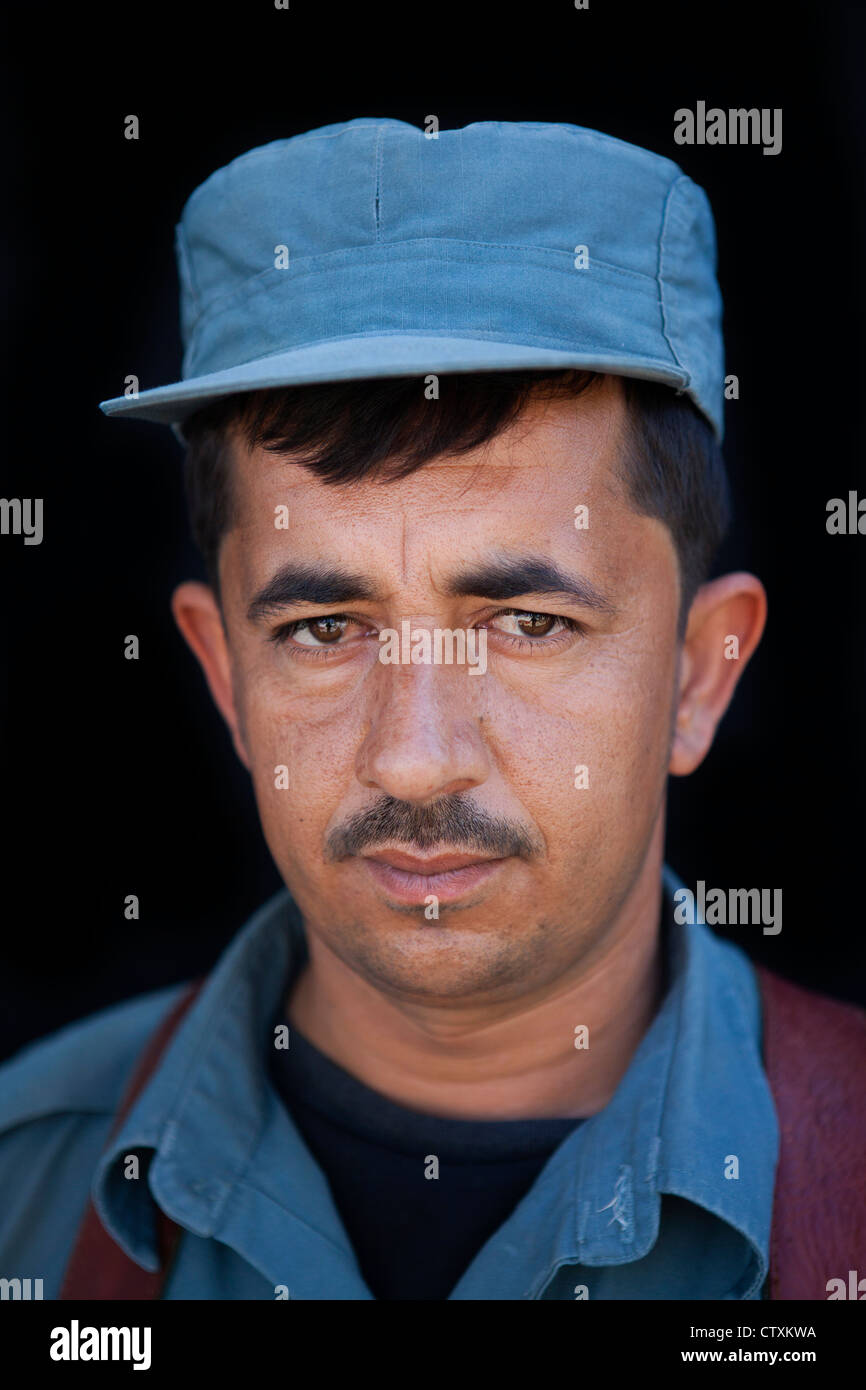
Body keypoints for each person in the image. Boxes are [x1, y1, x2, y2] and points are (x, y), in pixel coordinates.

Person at [0, 118, 862, 1302]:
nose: (412, 759)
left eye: (527, 625)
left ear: (697, 674)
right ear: (223, 676)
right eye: (322, 630)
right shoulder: (24, 1182)